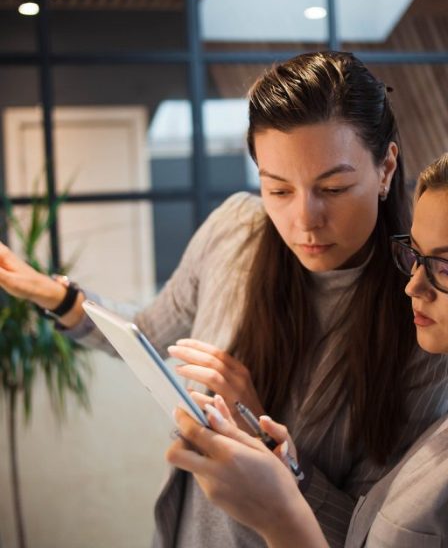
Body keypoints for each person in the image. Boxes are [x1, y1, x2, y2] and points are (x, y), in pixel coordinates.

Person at [0, 52, 447, 547]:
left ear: (386, 167)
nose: (304, 220)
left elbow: (366, 534)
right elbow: (150, 334)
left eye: (334, 188)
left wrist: (260, 435)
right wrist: (60, 298)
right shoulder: (235, 229)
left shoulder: (424, 320)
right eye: (277, 189)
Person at [167, 153, 448, 547]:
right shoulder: (234, 237)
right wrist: (285, 466)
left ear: (385, 170)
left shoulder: (419, 363)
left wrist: (282, 514)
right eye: (278, 188)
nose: (413, 287)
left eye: (445, 268)